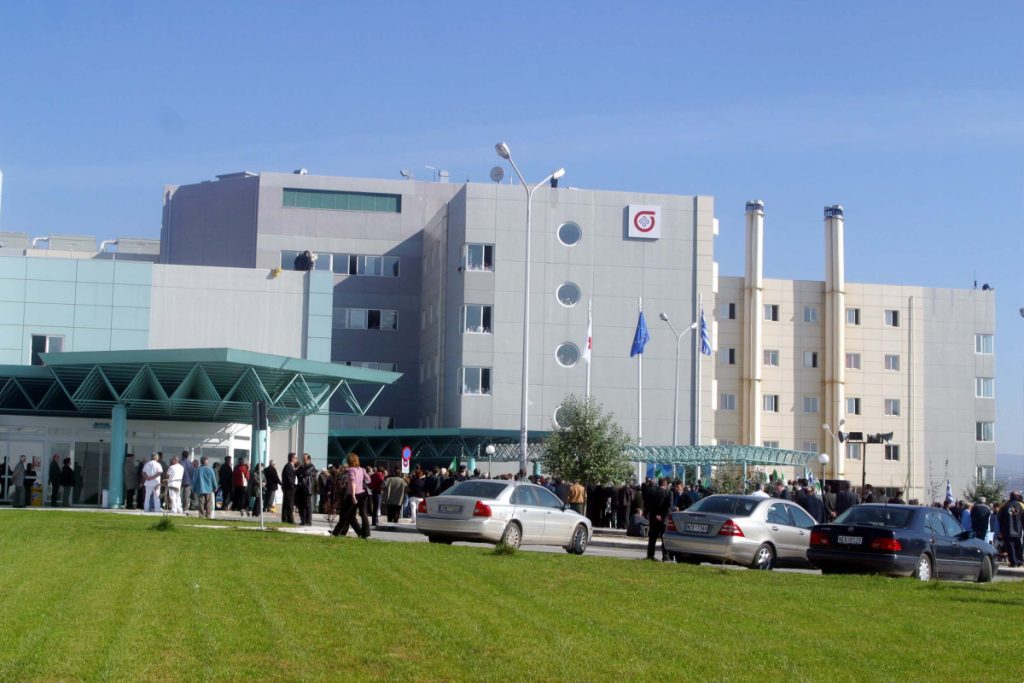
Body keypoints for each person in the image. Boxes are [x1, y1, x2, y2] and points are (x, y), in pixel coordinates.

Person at [333, 453, 371, 538]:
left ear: (349, 461)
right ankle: (365, 533)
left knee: (345, 514)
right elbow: (368, 480)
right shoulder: (362, 469)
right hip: (362, 493)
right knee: (362, 514)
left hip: (353, 494)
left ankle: (336, 532)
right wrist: (361, 483)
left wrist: (353, 495)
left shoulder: (351, 470)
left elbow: (352, 483)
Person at [645, 478, 672, 561]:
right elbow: (669, 507)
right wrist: (663, 516)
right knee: (664, 538)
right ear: (666, 484)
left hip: (653, 517)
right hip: (663, 519)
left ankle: (650, 555)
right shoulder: (668, 493)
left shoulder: (651, 492)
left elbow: (648, 504)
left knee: (652, 538)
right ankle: (665, 556)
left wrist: (655, 514)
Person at [997, 492, 1023, 568]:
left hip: (1007, 530)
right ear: (1017, 497)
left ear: (1010, 497)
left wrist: (1001, 530)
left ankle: (1013, 562)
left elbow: (999, 518)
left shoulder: (1005, 506)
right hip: (1018, 530)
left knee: (1010, 547)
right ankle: (1019, 562)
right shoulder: (1020, 506)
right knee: (1018, 546)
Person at [295, 453, 316, 526]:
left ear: (309, 459)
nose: (303, 460)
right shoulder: (302, 466)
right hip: (301, 488)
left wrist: (300, 473)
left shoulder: (311, 466)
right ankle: (303, 520)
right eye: (303, 459)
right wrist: (300, 472)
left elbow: (305, 473)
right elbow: (296, 472)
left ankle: (308, 521)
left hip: (307, 488)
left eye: (305, 459)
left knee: (307, 506)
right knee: (301, 506)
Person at [281, 453, 297, 524]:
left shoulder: (291, 466)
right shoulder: (288, 466)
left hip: (289, 488)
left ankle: (285, 519)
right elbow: (289, 478)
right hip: (289, 488)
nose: (296, 459)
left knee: (287, 504)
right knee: (289, 504)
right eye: (295, 458)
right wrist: (293, 487)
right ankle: (290, 519)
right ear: (292, 458)